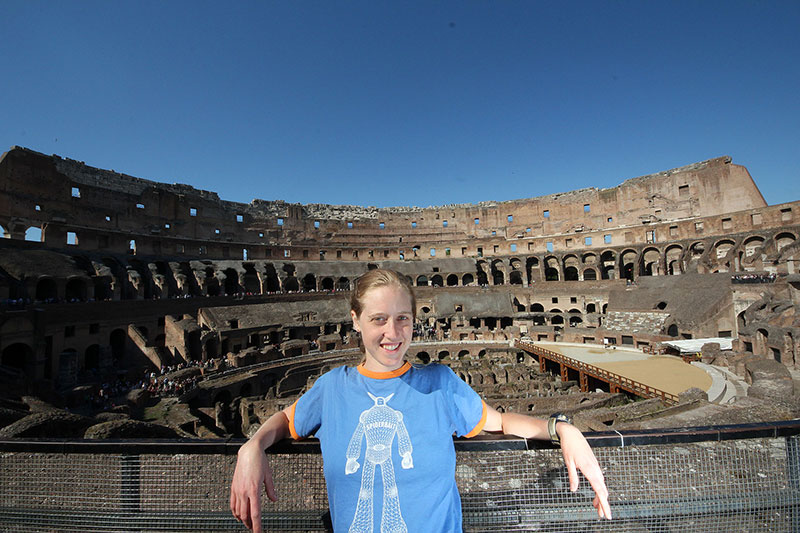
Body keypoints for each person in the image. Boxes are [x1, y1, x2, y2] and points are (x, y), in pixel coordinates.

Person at [230, 269, 611, 532]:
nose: (392, 333)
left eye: (403, 319)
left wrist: (562, 428)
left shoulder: (440, 383)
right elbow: (285, 419)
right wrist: (253, 446)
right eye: (378, 319)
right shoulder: (332, 389)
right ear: (356, 320)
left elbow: (500, 421)